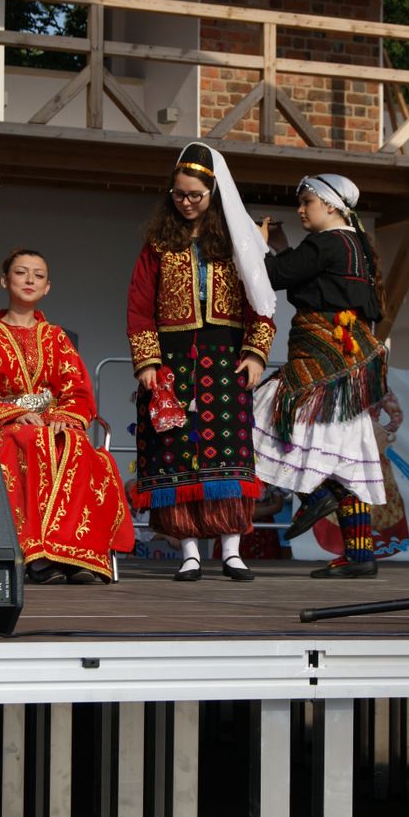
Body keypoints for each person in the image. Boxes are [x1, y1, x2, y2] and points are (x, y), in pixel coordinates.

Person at [126, 142, 276, 582]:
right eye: (178, 194)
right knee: (174, 454)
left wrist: (256, 353)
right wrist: (147, 362)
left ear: (214, 193)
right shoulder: (158, 244)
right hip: (171, 361)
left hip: (225, 360)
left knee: (228, 453)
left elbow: (260, 301)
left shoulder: (235, 242)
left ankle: (231, 551)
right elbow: (139, 306)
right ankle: (189, 552)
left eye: (195, 195)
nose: (186, 202)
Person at [0, 248, 135, 584]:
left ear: (47, 287)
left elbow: (77, 390)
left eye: (38, 275)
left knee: (75, 443)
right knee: (35, 440)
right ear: (4, 280)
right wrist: (14, 413)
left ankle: (77, 553)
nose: (30, 280)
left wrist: (66, 416)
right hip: (7, 428)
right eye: (21, 272)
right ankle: (37, 554)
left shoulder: (56, 337)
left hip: (53, 424)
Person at [253, 173, 388, 578]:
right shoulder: (355, 245)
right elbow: (307, 276)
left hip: (320, 362)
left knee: (257, 421)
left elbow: (274, 276)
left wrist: (257, 245)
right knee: (344, 453)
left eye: (306, 202)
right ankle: (360, 556)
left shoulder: (327, 243)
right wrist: (281, 250)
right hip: (345, 365)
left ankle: (316, 497)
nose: (300, 210)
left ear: (330, 206)